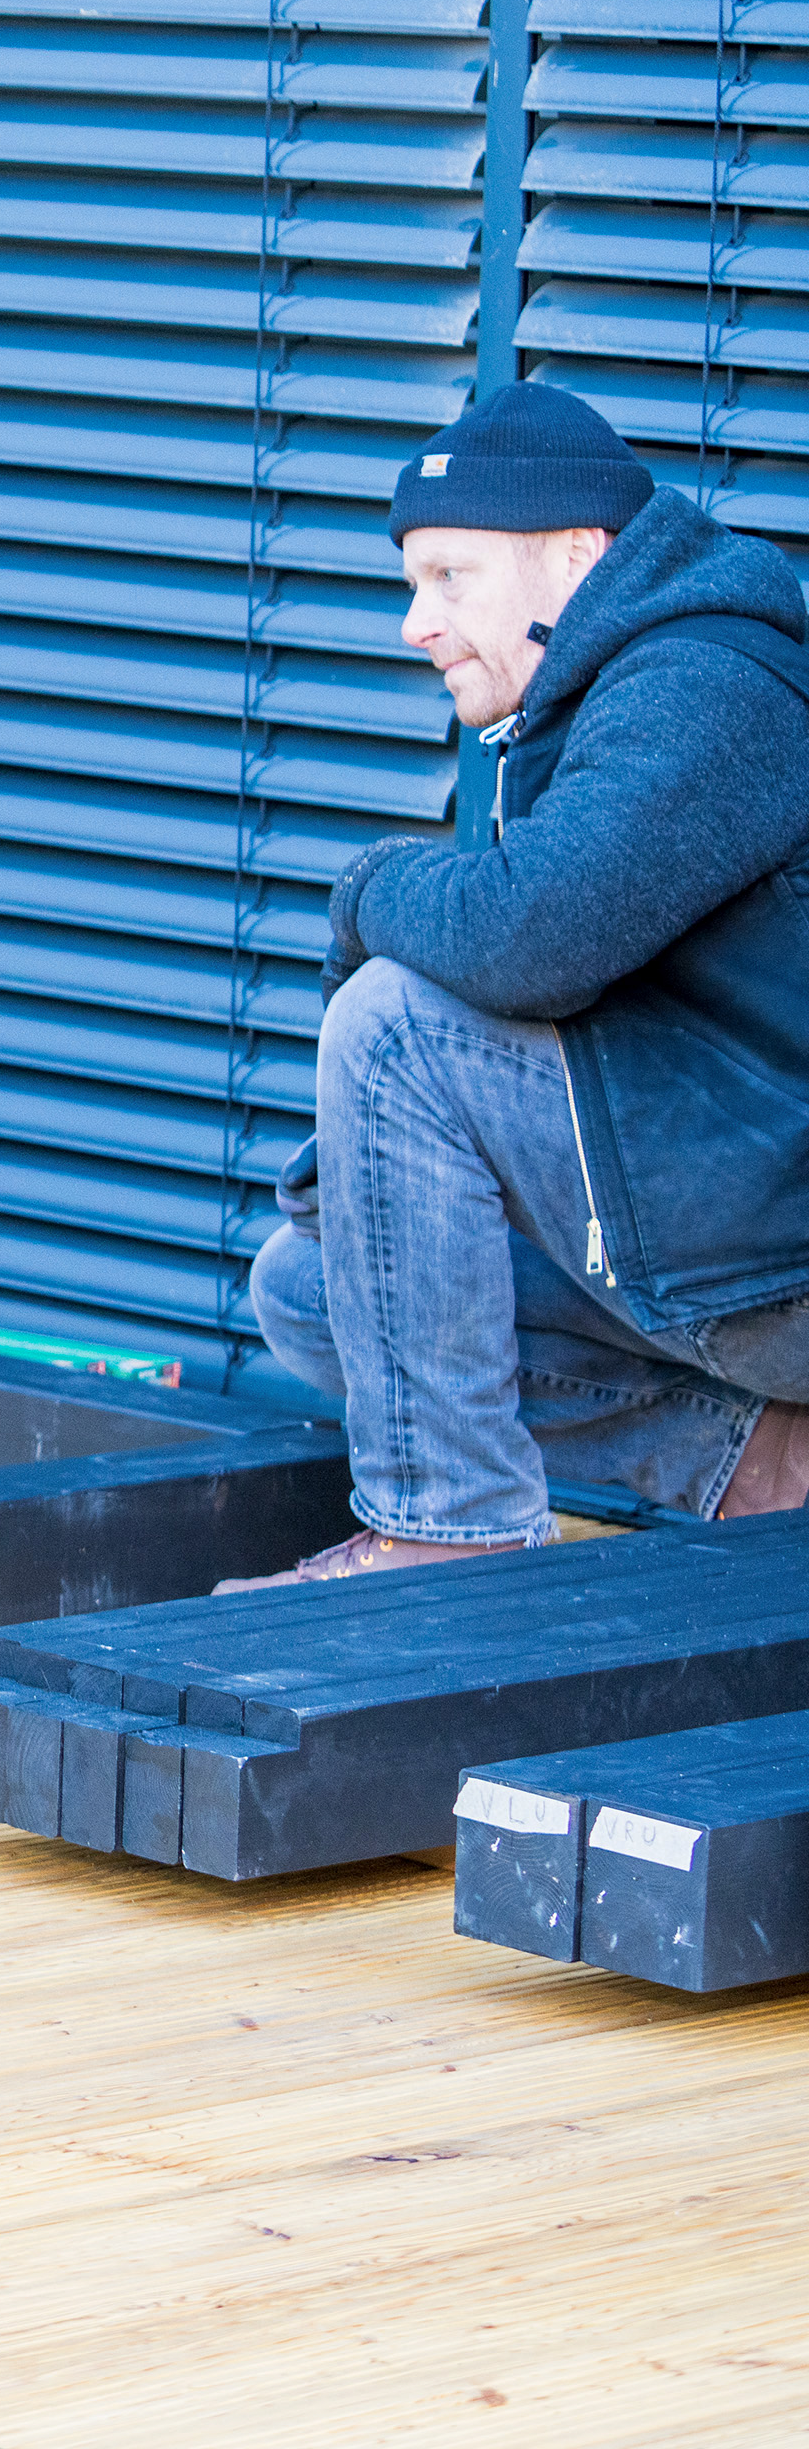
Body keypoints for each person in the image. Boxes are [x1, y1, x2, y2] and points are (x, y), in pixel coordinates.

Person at [234, 382, 809, 1586]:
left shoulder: (707, 687)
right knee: (313, 1287)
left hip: (782, 1250)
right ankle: (764, 1469)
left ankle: (445, 1536)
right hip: (717, 1221)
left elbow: (530, 939)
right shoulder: (597, 698)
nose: (415, 624)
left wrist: (365, 892)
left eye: (450, 578)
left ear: (575, 557)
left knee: (390, 1024)